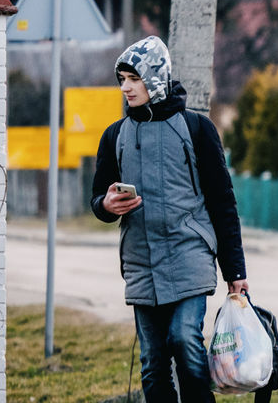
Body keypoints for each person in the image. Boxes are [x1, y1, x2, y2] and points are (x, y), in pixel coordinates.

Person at [89, 36, 249, 403]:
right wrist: (107, 205)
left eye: (134, 79)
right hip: (141, 263)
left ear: (155, 78)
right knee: (152, 364)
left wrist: (235, 272)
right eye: (122, 80)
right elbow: (98, 199)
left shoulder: (197, 129)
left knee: (184, 339)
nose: (126, 88)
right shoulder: (115, 136)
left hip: (188, 255)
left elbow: (223, 203)